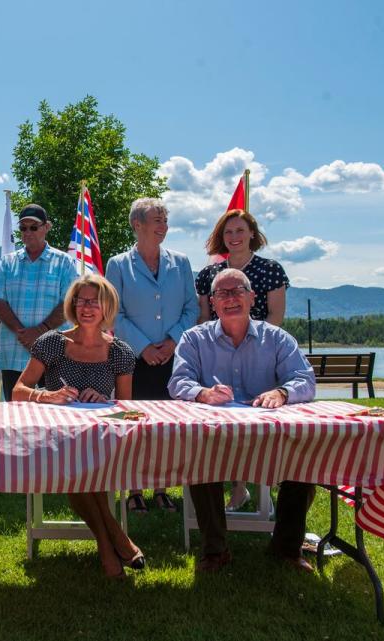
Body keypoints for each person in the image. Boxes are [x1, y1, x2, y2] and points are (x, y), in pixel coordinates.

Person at [168, 268, 316, 573]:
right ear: (212, 302)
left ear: (252, 297)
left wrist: (282, 392)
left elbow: (305, 380)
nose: (230, 298)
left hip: (270, 437)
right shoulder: (194, 339)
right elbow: (178, 382)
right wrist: (202, 393)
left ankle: (286, 548)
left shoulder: (277, 338)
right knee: (199, 461)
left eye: (237, 291)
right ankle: (215, 550)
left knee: (304, 461)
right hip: (214, 437)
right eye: (222, 293)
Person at [12, 274, 143, 578]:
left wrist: (105, 403)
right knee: (76, 465)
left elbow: (129, 410)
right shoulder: (53, 343)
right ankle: (114, 540)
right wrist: (47, 395)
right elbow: (18, 390)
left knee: (82, 468)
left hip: (101, 443)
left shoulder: (120, 352)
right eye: (81, 300)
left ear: (106, 306)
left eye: (94, 301)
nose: (86, 307)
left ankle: (108, 547)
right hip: (54, 441)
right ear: (72, 305)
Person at [105, 197, 198, 514]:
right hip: (133, 359)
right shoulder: (118, 265)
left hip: (175, 358)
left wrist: (172, 342)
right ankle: (133, 490)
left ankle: (161, 489)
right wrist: (143, 346)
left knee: (168, 426)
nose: (164, 225)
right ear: (137, 224)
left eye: (165, 220)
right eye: (157, 219)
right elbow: (112, 313)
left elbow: (192, 308)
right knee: (134, 424)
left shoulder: (181, 262)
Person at [195, 208, 290, 510]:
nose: (234, 237)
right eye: (228, 232)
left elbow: (275, 316)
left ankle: (258, 485)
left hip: (260, 352)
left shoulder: (270, 269)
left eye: (240, 231)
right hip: (220, 353)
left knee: (260, 419)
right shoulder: (208, 274)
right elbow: (204, 317)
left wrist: (259, 349)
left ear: (252, 233)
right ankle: (235, 485)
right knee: (224, 419)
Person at [0, 204, 78, 401]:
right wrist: (23, 332)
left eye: (33, 227)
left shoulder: (64, 262)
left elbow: (69, 303)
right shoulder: (7, 262)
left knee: (57, 415)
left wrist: (39, 332)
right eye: (23, 228)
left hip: (55, 357)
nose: (27, 232)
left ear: (47, 227)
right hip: (13, 353)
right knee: (15, 415)